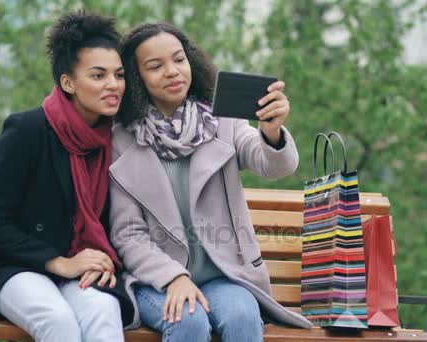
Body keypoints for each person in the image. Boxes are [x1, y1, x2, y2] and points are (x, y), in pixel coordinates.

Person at [108, 22, 311, 342]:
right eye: (155, 66)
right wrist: (174, 278)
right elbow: (128, 234)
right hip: (156, 279)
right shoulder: (120, 139)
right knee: (189, 321)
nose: (172, 71)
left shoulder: (222, 120)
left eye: (178, 59)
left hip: (223, 275)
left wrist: (271, 131)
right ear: (136, 78)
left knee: (243, 317)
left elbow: (274, 166)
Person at [0, 11, 132, 342]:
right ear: (67, 82)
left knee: (104, 313)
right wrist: (59, 262)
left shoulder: (113, 140)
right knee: (58, 321)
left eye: (118, 75)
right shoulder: (26, 131)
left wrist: (90, 263)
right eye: (98, 75)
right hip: (18, 268)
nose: (113, 85)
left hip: (83, 268)